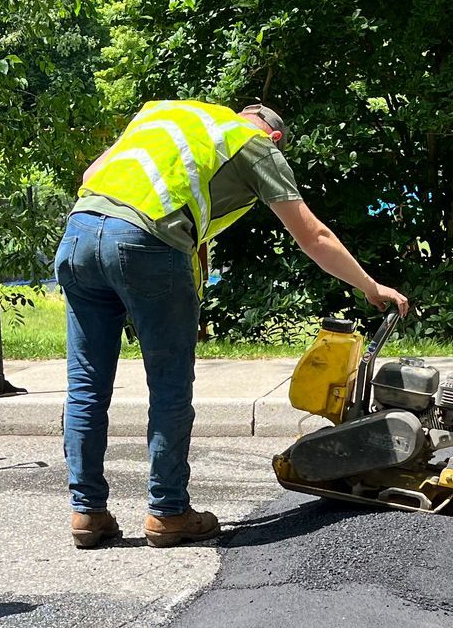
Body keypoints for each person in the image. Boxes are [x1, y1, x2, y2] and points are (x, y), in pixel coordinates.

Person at [58, 99, 410, 549]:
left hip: (79, 235)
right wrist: (370, 285)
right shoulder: (254, 145)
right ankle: (167, 512)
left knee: (86, 385)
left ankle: (87, 512)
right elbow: (313, 235)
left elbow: (91, 175)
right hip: (147, 245)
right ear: (275, 136)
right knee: (169, 387)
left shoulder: (166, 113)